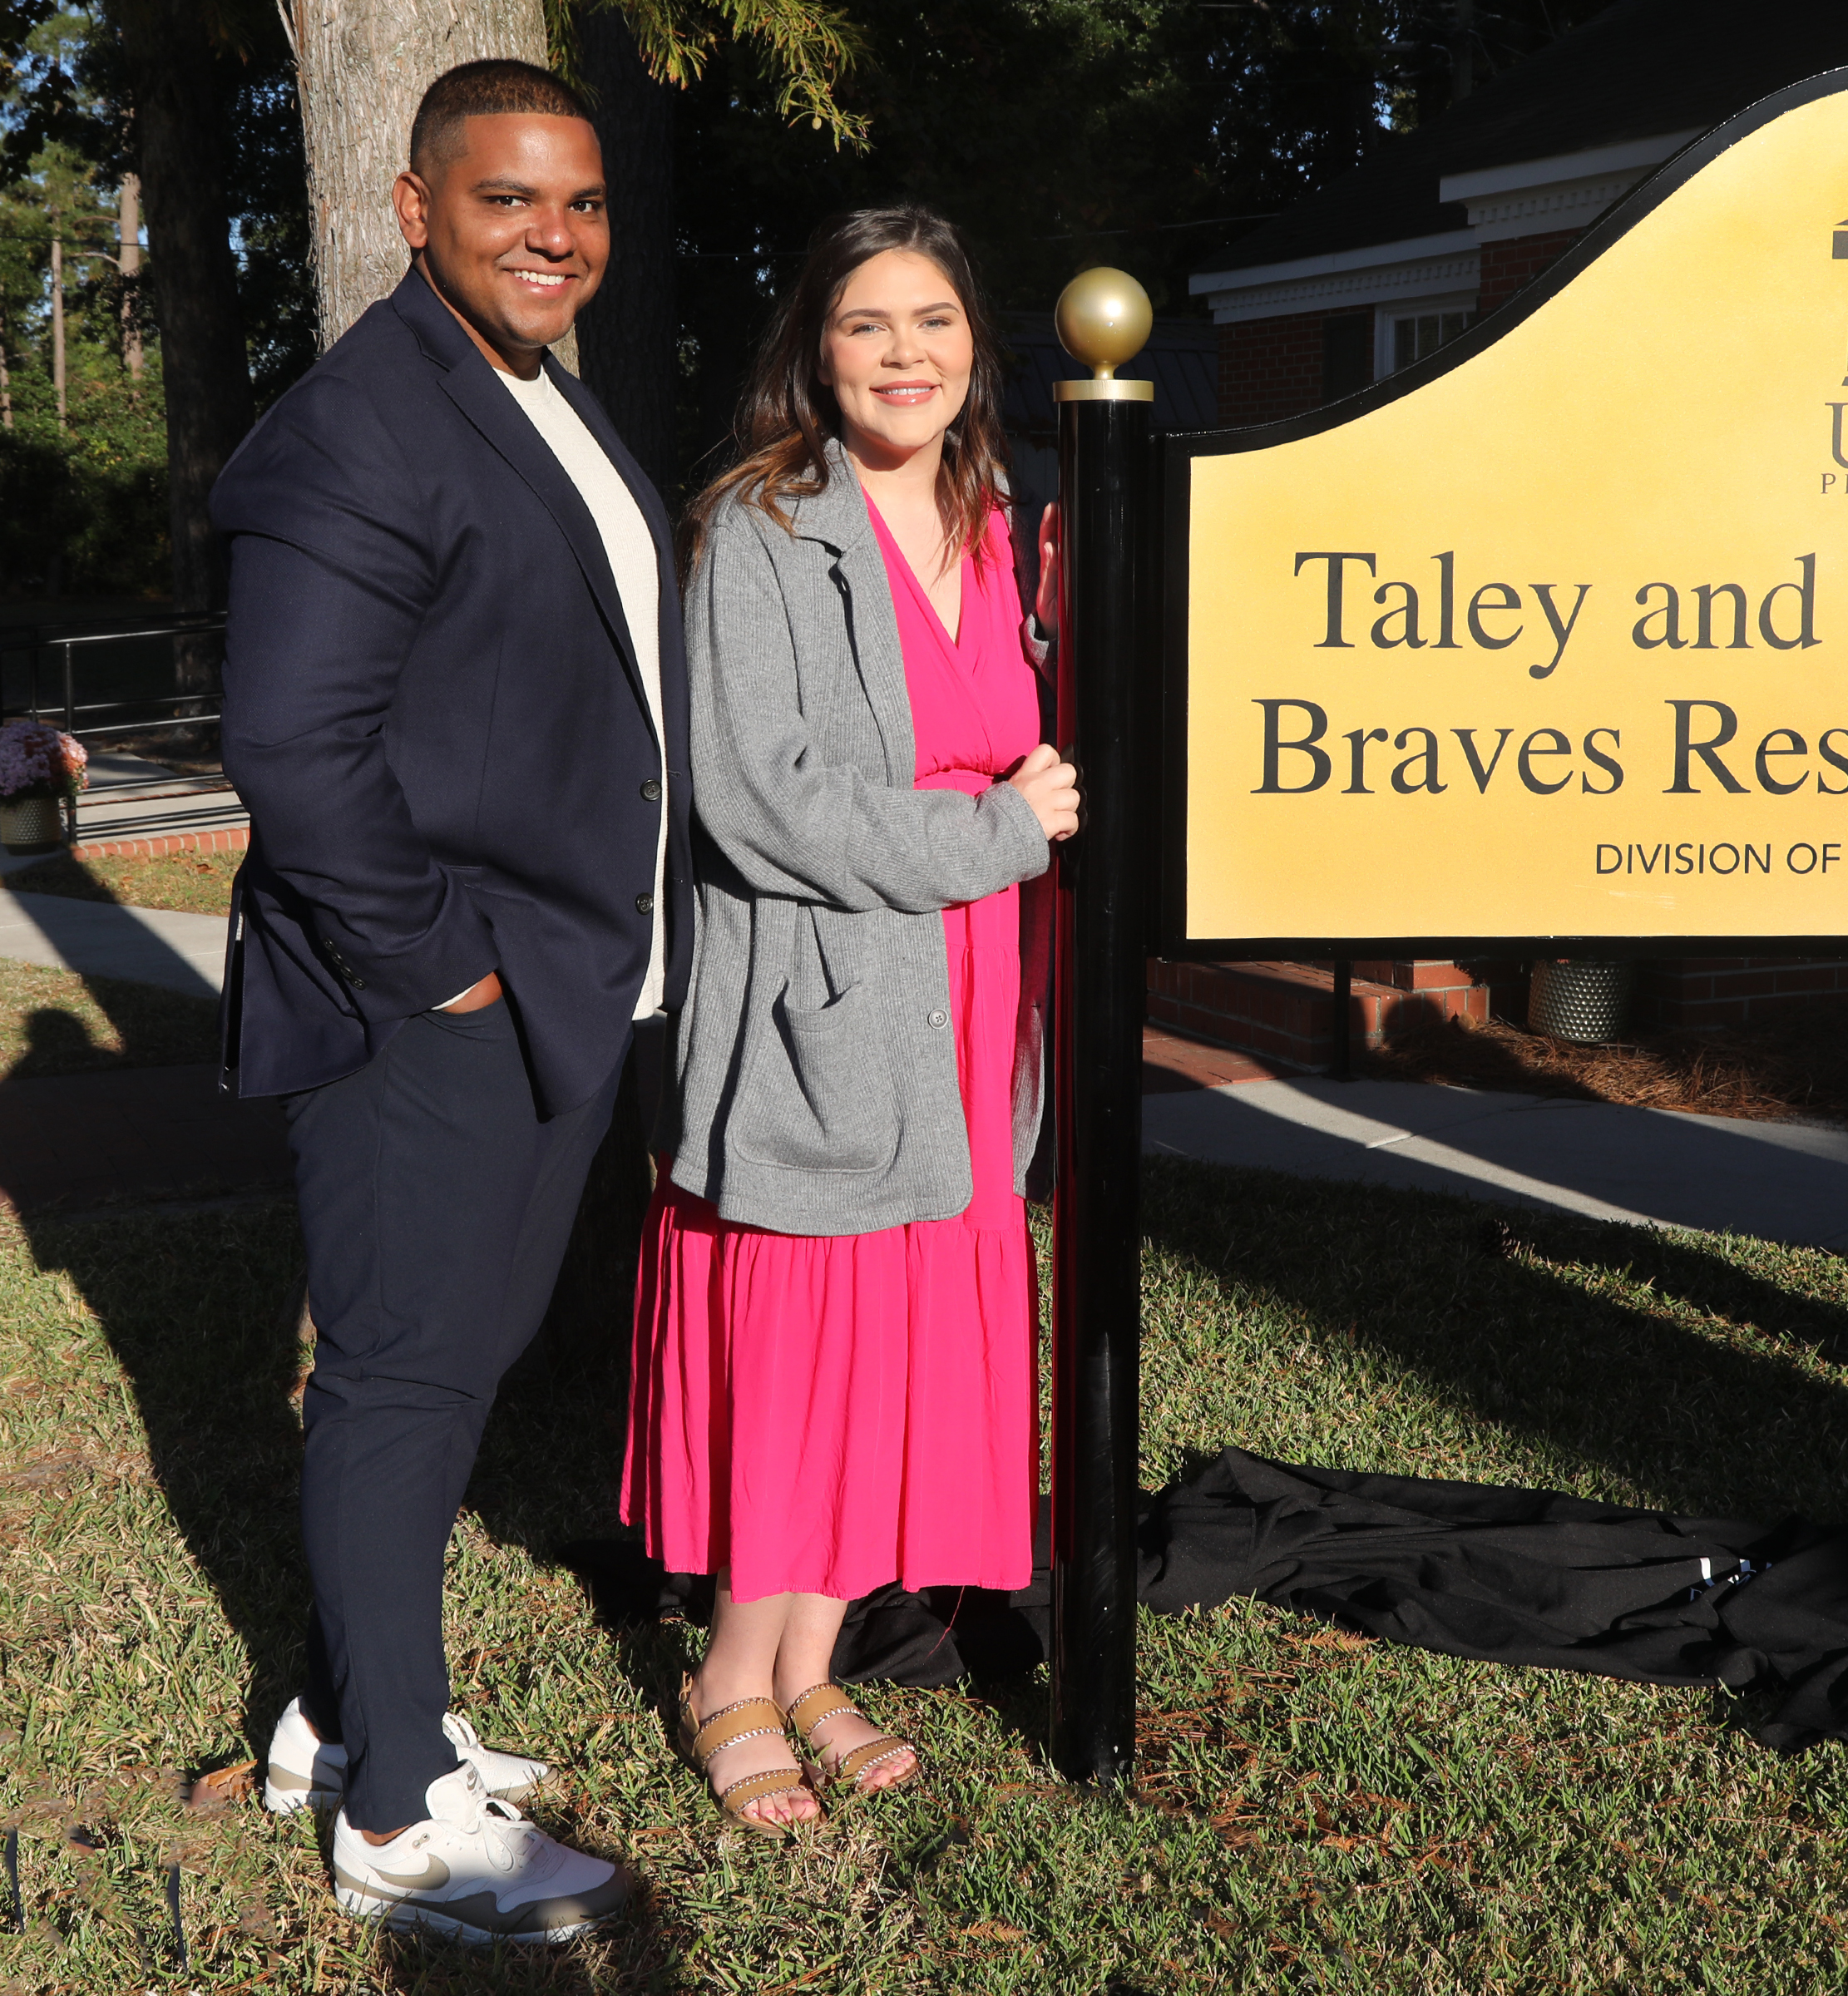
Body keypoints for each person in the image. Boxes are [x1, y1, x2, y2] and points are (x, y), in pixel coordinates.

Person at [212, 59, 683, 1941]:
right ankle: (400, 1820)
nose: (551, 236)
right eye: (506, 201)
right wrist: (450, 976)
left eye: (577, 204)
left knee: (448, 1366)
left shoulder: (536, 398)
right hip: (436, 1001)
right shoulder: (359, 429)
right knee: (405, 1377)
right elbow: (295, 750)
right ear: (416, 210)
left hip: (557, 975)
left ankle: (348, 1719)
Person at [623, 205, 1078, 1827]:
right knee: (814, 1340)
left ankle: (815, 1660)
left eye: (935, 322)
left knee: (898, 1338)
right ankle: (732, 1674)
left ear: (977, 346)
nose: (906, 354)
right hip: (829, 994)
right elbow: (763, 802)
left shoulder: (1004, 515)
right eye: (869, 324)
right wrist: (999, 834)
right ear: (814, 350)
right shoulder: (759, 528)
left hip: (966, 999)